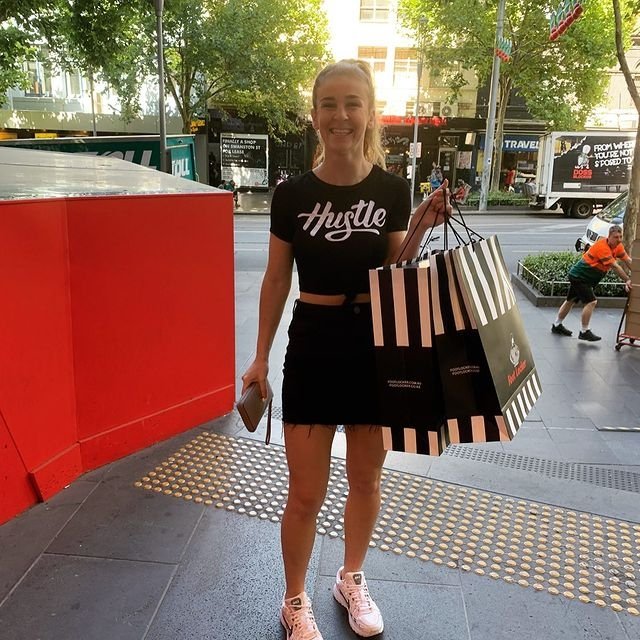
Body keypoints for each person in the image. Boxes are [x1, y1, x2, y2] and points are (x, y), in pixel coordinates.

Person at [240, 59, 451, 640]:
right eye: (329, 104)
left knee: (366, 480)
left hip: (373, 349)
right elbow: (276, 279)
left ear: (370, 113)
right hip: (313, 345)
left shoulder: (391, 190)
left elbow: (396, 271)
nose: (341, 115)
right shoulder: (292, 194)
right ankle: (294, 599)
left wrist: (422, 225)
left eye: (352, 103)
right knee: (305, 493)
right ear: (314, 116)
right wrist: (260, 357)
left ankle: (351, 578)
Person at [551, 225, 632, 342]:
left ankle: (557, 325)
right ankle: (584, 331)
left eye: (620, 237)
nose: (619, 240)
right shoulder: (602, 247)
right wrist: (627, 280)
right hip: (580, 277)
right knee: (591, 302)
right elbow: (615, 266)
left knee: (570, 300)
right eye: (616, 237)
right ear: (609, 237)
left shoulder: (618, 246)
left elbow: (628, 260)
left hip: (584, 278)